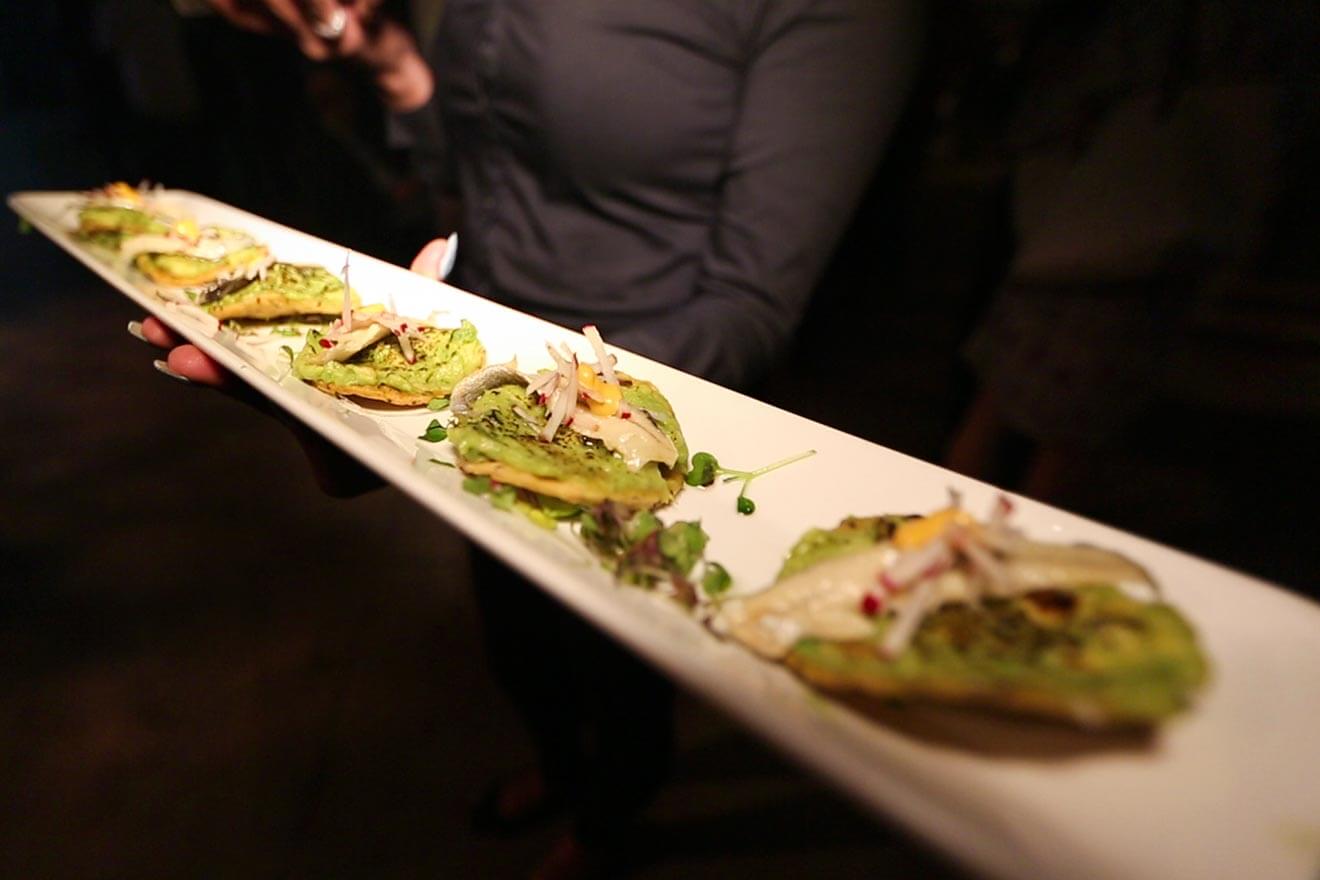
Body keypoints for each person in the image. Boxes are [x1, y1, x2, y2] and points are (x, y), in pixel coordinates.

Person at [137, 1, 918, 875]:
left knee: (621, 666)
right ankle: (556, 765)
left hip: (641, 387)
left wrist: (553, 409)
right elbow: (468, 174)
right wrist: (390, 61)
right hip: (482, 351)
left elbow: (753, 301)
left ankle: (610, 817)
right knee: (515, 632)